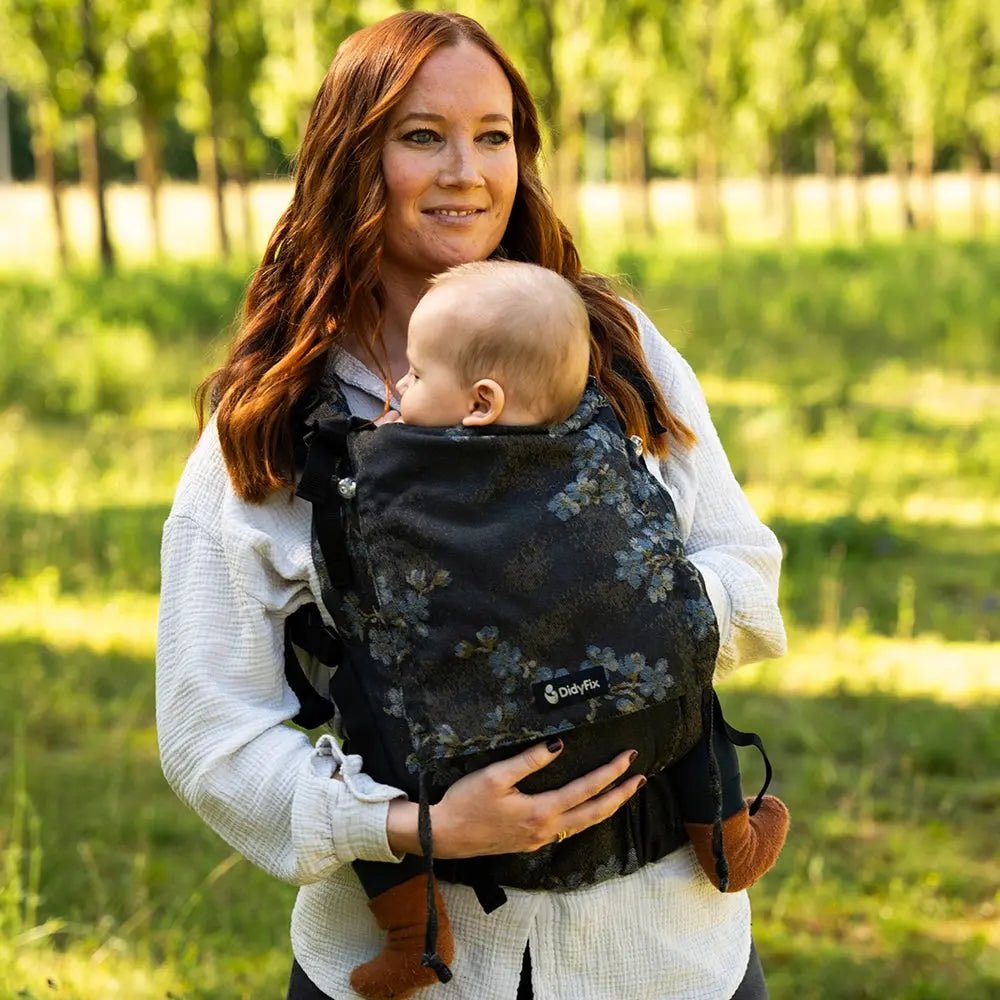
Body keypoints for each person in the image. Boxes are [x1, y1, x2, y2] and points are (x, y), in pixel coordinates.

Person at [155, 11, 787, 1000]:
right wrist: (416, 827)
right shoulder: (277, 420)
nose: (467, 171)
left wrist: (593, 622)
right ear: (350, 159)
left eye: (493, 136)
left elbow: (746, 575)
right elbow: (210, 732)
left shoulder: (612, 352)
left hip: (669, 958)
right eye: (423, 136)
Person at [337, 258, 788, 1000]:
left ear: (481, 403)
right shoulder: (598, 436)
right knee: (684, 681)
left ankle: (413, 932)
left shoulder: (391, 459)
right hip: (631, 727)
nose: (399, 392)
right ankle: (727, 838)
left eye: (414, 377)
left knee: (364, 712)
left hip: (460, 752)